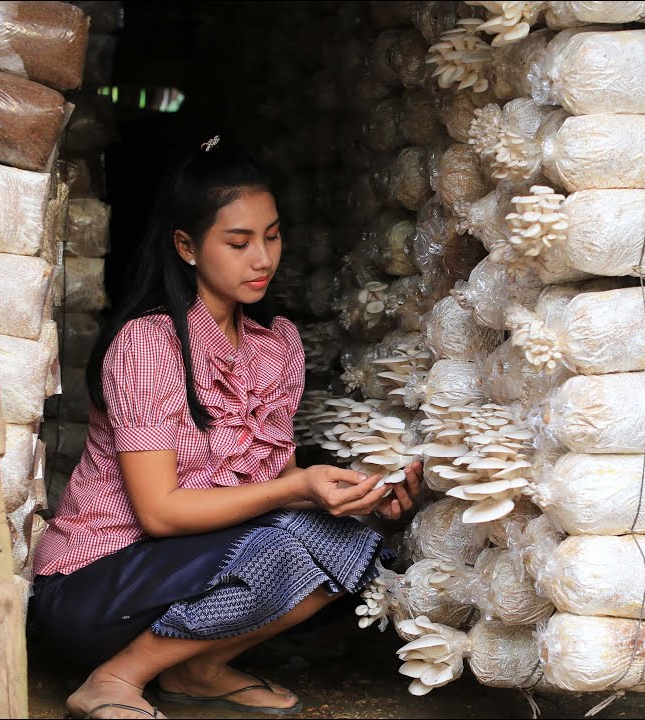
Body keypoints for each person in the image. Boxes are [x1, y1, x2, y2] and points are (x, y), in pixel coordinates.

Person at [31, 137, 423, 719]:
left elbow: (275, 489)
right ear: (186, 246)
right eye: (238, 243)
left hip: (195, 571)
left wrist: (359, 497)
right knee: (283, 544)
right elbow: (160, 513)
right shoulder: (149, 344)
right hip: (98, 587)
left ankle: (196, 669)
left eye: (272, 236)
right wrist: (298, 488)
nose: (262, 259)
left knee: (350, 542)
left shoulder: (276, 346)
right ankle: (113, 678)